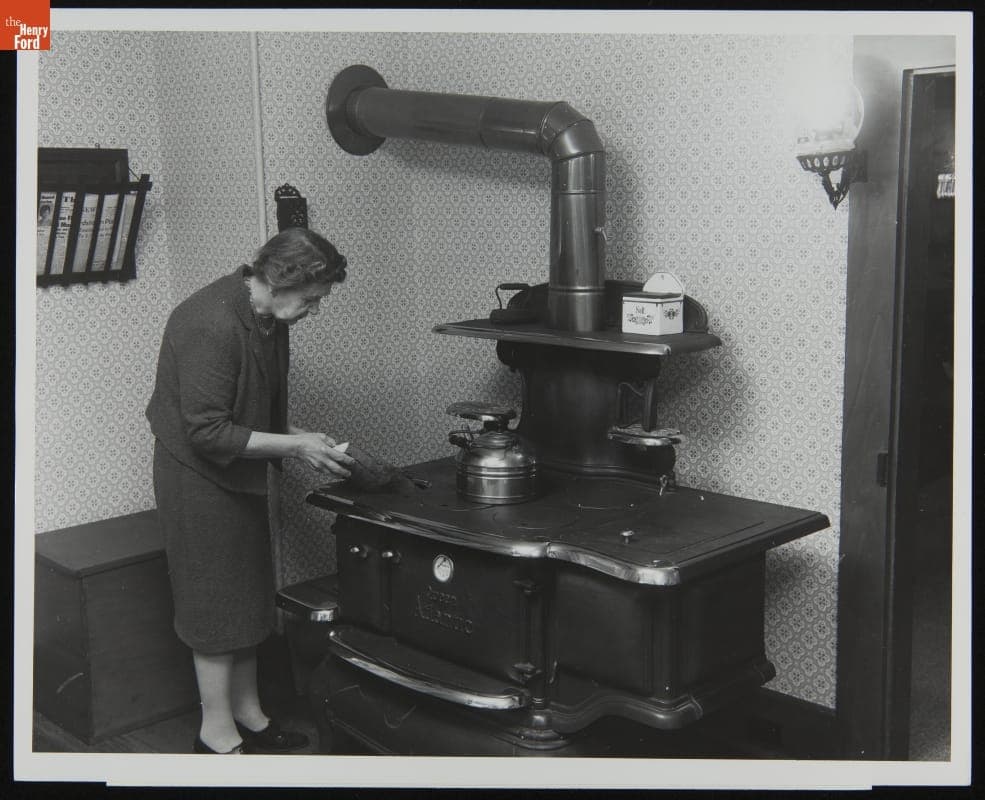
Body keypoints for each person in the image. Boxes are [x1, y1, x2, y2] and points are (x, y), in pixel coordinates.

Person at [145, 227, 356, 755]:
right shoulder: (208, 322)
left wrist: (301, 440)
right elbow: (206, 431)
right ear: (280, 281)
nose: (313, 309)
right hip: (196, 478)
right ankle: (214, 736)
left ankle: (249, 714)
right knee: (214, 606)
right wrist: (295, 448)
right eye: (310, 299)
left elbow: (256, 406)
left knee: (243, 596)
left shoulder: (266, 317)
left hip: (236, 470)